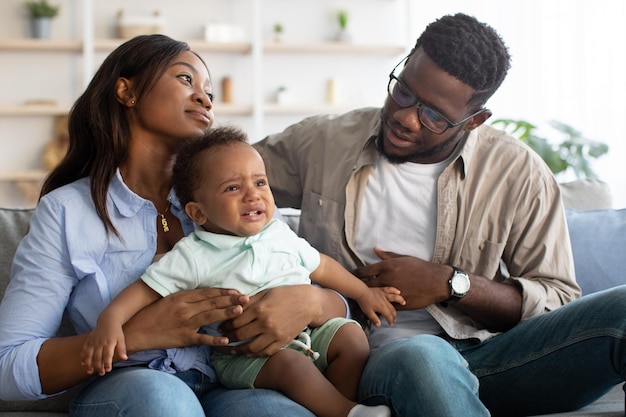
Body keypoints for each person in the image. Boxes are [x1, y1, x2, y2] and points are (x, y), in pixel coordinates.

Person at [254, 13, 626, 417]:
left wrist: (452, 283)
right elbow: (200, 187)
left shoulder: (518, 172)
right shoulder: (323, 142)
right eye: (404, 92)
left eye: (434, 115)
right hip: (372, 359)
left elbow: (557, 302)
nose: (405, 117)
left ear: (474, 120)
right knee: (425, 356)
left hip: (493, 357)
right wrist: (168, 219)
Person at [0, 34, 348, 417]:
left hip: (236, 378)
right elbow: (9, 365)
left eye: (209, 92)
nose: (204, 99)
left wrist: (311, 301)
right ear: (126, 91)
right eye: (186, 80)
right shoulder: (66, 212)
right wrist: (135, 335)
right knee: (165, 402)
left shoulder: (239, 198)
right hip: (131, 384)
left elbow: (327, 295)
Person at [81, 126, 402, 417]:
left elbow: (322, 265)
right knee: (292, 365)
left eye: (260, 182)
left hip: (308, 333)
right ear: (198, 212)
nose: (253, 194)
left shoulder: (279, 234)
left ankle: (340, 404)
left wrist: (363, 292)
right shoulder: (195, 253)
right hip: (247, 358)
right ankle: (345, 412)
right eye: (233, 188)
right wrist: (111, 321)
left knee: (352, 337)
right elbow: (144, 289)